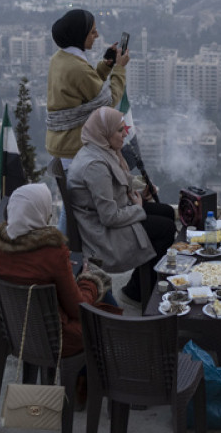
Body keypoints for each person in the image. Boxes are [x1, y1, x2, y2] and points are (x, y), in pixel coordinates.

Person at [0, 183, 118, 356]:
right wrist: (88, 280)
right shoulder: (52, 252)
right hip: (54, 337)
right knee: (102, 292)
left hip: (12, 329)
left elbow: (23, 269)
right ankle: (98, 367)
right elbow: (76, 308)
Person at [66, 107, 176, 304]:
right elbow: (108, 217)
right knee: (165, 229)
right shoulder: (95, 166)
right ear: (104, 132)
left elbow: (114, 193)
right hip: (103, 234)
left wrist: (141, 197)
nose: (125, 133)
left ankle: (140, 284)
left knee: (167, 212)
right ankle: (138, 291)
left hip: (113, 216)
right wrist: (138, 208)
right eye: (119, 130)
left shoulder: (102, 150)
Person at [46, 8, 128, 167]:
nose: (96, 36)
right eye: (92, 32)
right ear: (79, 35)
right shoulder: (78, 68)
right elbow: (108, 102)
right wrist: (119, 68)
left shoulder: (60, 58)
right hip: (74, 147)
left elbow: (86, 91)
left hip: (60, 141)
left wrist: (105, 67)